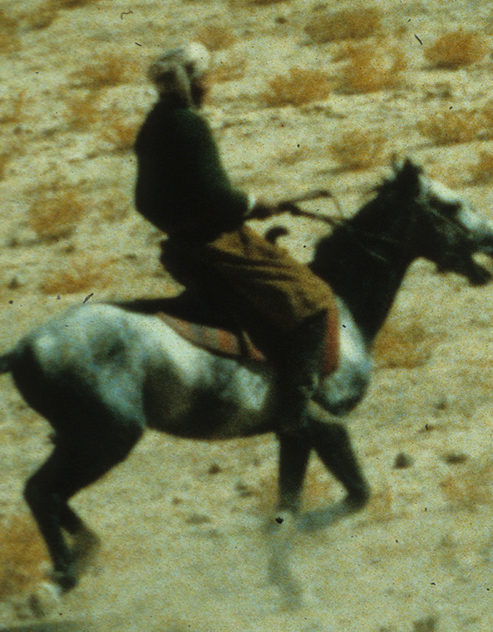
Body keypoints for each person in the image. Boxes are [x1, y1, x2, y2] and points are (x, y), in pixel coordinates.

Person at [132, 42, 343, 422]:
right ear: (193, 81)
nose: (211, 83)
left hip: (183, 242)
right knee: (310, 298)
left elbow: (145, 200)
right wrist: (253, 204)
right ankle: (297, 410)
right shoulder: (189, 123)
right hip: (219, 241)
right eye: (206, 76)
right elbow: (216, 195)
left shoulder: (154, 122)